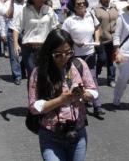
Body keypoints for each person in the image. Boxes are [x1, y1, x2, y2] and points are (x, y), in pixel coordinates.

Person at [29, 29, 98, 161]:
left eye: (68, 53)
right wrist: (61, 100)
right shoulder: (39, 73)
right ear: (49, 53)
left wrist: (84, 94)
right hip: (51, 136)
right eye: (58, 54)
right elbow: (33, 107)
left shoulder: (79, 65)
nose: (64, 58)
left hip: (77, 132)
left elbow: (93, 90)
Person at [63, 0, 104, 118]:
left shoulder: (90, 16)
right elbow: (65, 37)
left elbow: (97, 28)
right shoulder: (69, 21)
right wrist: (75, 42)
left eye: (83, 3)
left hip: (90, 52)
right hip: (74, 56)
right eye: (78, 4)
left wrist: (96, 39)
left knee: (92, 78)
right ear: (73, 6)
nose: (81, 5)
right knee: (74, 80)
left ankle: (97, 106)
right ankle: (77, 104)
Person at [13, 0, 58, 80]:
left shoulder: (49, 10)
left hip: (45, 47)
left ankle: (44, 94)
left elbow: (55, 27)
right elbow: (16, 27)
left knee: (45, 74)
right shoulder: (24, 10)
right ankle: (32, 95)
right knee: (33, 75)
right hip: (29, 47)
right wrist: (16, 44)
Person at [94, 0, 119, 87]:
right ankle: (97, 72)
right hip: (101, 39)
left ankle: (111, 79)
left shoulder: (114, 7)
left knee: (111, 60)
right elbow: (95, 25)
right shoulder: (96, 9)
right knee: (102, 59)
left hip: (113, 38)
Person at [5, 0, 26, 85]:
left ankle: (23, 69)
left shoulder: (27, 3)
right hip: (12, 31)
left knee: (27, 54)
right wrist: (12, 2)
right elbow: (8, 15)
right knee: (14, 55)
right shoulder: (9, 3)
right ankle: (17, 75)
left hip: (25, 31)